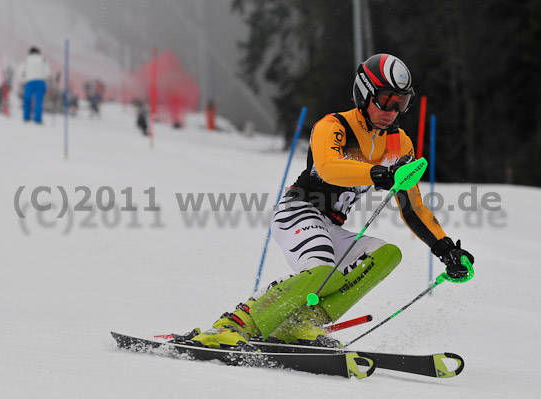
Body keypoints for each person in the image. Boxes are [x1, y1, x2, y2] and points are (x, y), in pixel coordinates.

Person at [188, 54, 475, 349]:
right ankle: (233, 324)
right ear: (364, 94)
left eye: (401, 102)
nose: (392, 110)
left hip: (332, 226)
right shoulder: (334, 126)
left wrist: (446, 249)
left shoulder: (399, 144)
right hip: (297, 211)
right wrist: (379, 174)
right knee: (322, 270)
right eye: (385, 100)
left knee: (387, 254)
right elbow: (329, 168)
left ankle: (301, 324)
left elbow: (413, 207)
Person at [18, 46, 51, 124]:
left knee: (27, 100)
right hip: (40, 82)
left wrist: (24, 78)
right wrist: (42, 76)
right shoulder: (43, 60)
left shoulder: (26, 60)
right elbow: (48, 73)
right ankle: (38, 119)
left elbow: (19, 72)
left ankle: (26, 118)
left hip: (29, 82)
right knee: (38, 101)